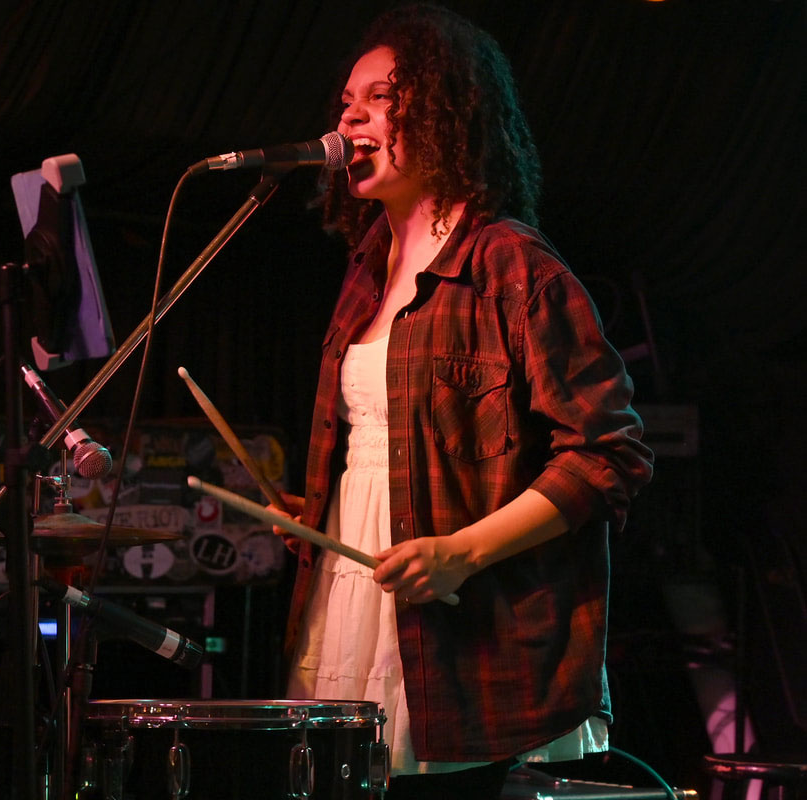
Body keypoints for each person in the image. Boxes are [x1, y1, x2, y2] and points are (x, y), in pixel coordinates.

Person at [273, 5, 655, 799]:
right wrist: (324, 507)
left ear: (446, 111)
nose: (348, 116)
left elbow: (609, 452)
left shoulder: (511, 264)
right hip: (358, 594)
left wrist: (464, 550)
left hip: (460, 630)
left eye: (380, 97)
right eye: (346, 100)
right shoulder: (365, 271)